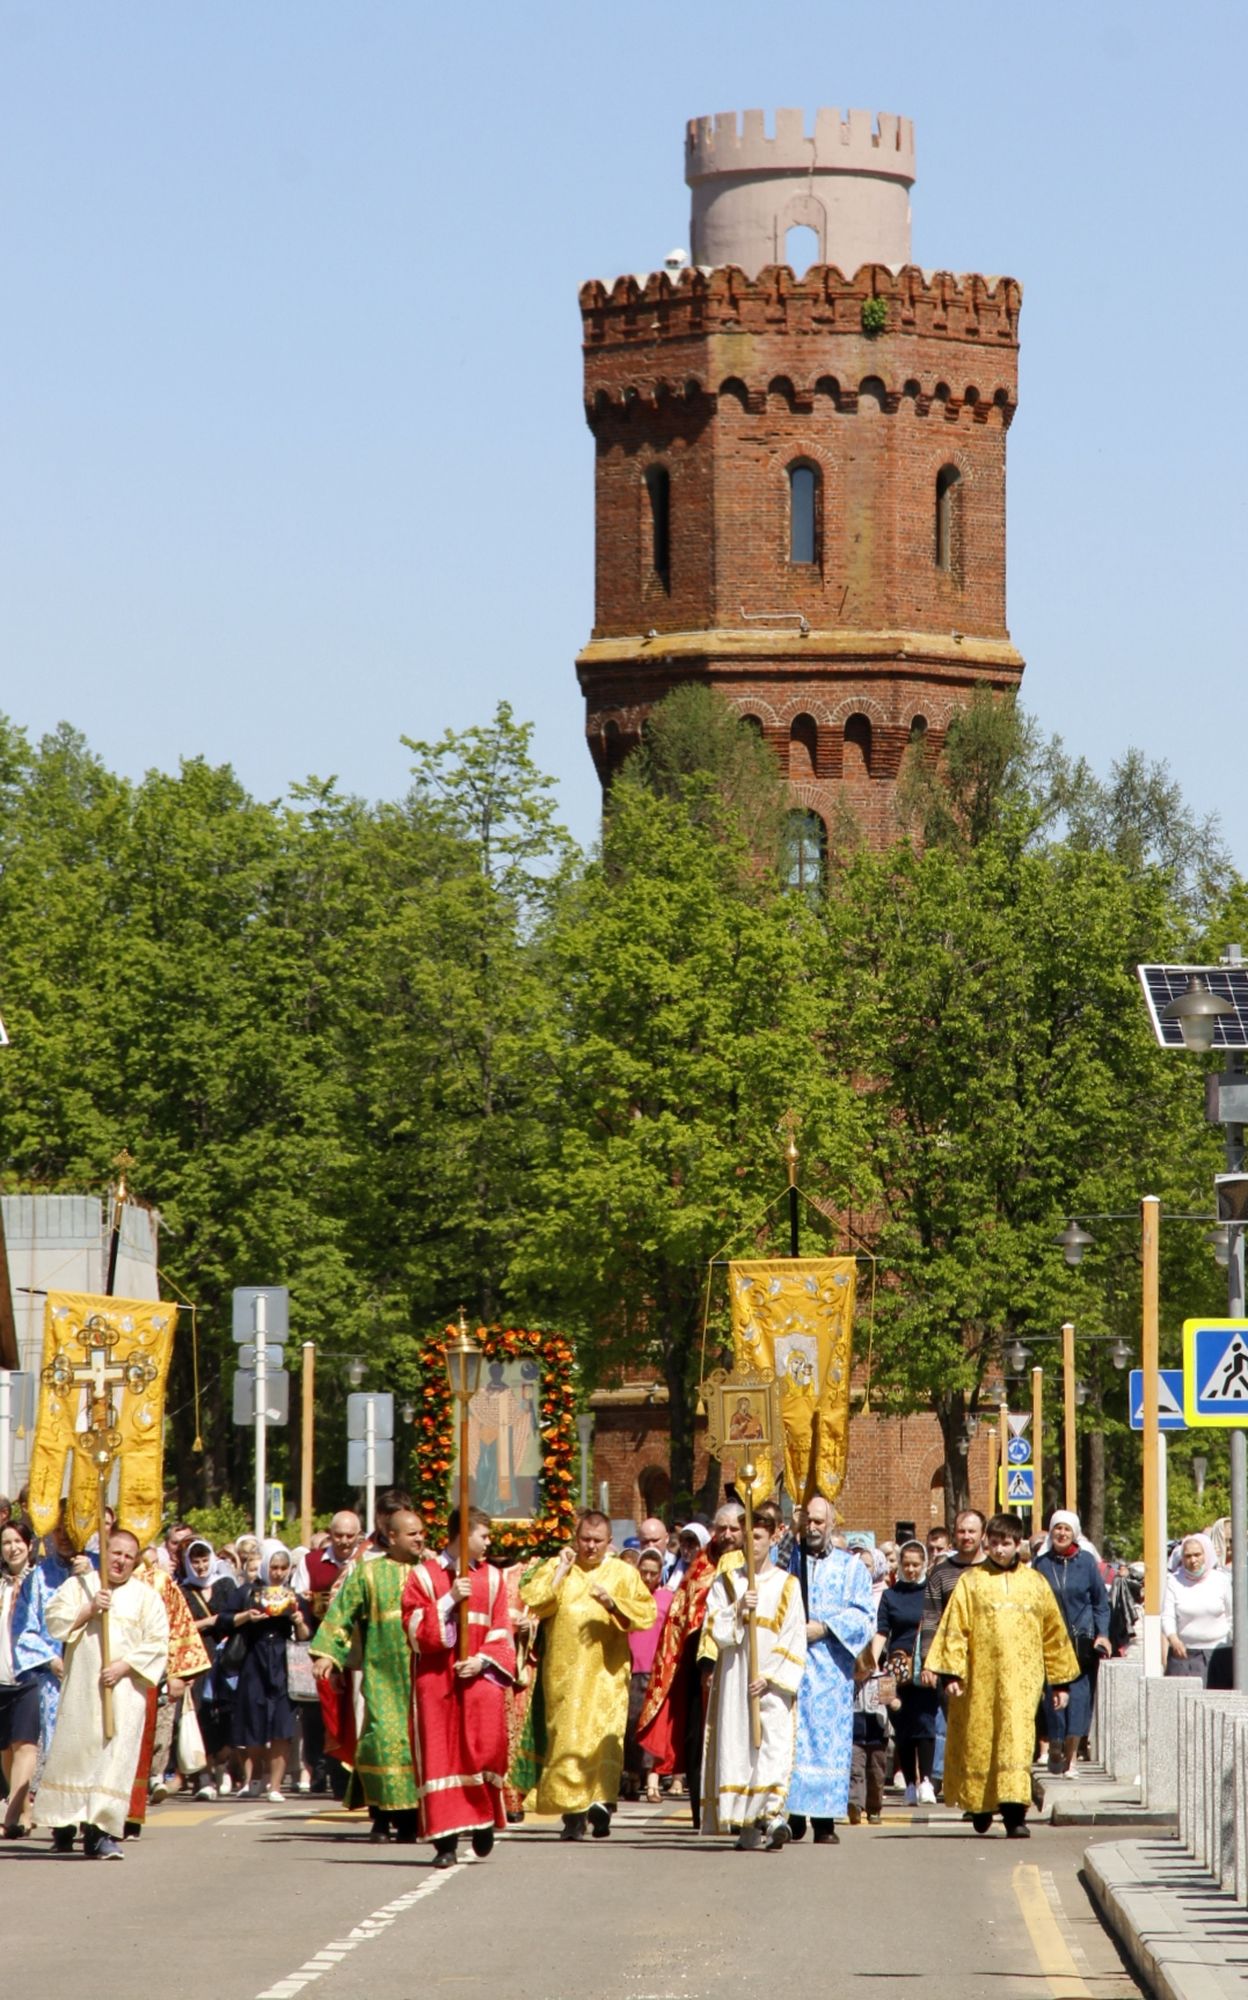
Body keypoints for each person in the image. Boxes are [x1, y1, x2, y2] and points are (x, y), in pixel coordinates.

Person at [925, 1513, 1079, 1838]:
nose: (999, 1550)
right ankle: (980, 1805)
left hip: (1022, 1682)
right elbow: (955, 1629)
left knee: (1017, 1742)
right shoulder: (972, 1582)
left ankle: (1014, 1814)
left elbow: (1053, 1633)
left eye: (1005, 1543)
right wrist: (951, 1673)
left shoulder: (1035, 1584)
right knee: (980, 1740)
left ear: (1017, 1544)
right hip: (979, 1681)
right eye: (993, 1543)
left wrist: (1060, 1682)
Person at [520, 1509, 656, 1840]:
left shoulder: (623, 1573)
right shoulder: (560, 1566)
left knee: (602, 1741)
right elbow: (535, 1600)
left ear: (609, 1542)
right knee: (567, 1741)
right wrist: (561, 1571)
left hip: (606, 1676)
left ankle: (602, 1805)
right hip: (564, 1675)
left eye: (597, 1541)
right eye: (585, 1539)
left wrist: (612, 1604)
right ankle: (573, 1817)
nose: (590, 1547)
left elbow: (646, 1613)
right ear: (575, 1538)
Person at [37, 1527, 169, 1858]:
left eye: (128, 1556)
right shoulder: (80, 1585)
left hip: (124, 1692)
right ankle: (64, 1823)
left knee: (114, 1757)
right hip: (83, 1688)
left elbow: (157, 1642)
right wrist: (89, 1609)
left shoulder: (147, 1597)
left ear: (135, 1561)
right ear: (105, 1553)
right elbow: (54, 1621)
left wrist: (124, 1666)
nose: (121, 1561)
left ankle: (100, 1831)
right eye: (116, 1553)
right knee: (77, 1753)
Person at [402, 1506, 516, 1868]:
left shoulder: (493, 1578)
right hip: (438, 1684)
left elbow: (503, 1629)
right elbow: (413, 1630)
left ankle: (483, 1820)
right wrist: (450, 1598)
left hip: (479, 1679)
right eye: (483, 1535)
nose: (489, 1542)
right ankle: (445, 1843)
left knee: (484, 1751)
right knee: (442, 1758)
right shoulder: (424, 1576)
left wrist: (482, 1661)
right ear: (463, 1536)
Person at [311, 1502, 426, 1841]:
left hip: (423, 1676)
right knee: (382, 1741)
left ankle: (412, 1819)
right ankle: (381, 1814)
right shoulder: (368, 1572)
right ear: (392, 1536)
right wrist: (327, 1655)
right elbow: (342, 1613)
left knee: (416, 1745)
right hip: (382, 1674)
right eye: (412, 1533)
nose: (420, 1539)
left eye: (422, 1533)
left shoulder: (430, 1571)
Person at [701, 1502, 807, 1851]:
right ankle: (747, 1824)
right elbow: (714, 1629)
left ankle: (772, 1815)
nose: (752, 1544)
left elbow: (794, 1635)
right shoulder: (727, 1582)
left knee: (773, 1745)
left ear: (773, 1538)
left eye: (758, 1537)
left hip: (772, 1683)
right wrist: (737, 1610)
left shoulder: (787, 1584)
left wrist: (772, 1676)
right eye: (747, 1537)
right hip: (736, 1678)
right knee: (740, 1749)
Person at [786, 1495, 875, 1845]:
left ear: (832, 1524)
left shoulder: (851, 1568)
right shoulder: (789, 1560)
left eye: (819, 1521)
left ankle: (824, 1821)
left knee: (826, 1746)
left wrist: (824, 1628)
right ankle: (792, 1815)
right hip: (792, 1664)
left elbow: (864, 1616)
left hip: (831, 1672)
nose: (812, 1527)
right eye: (807, 1520)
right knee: (792, 1740)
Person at [636, 1516, 723, 1822]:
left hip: (738, 1663)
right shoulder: (699, 1569)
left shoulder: (748, 1568)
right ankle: (701, 1809)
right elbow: (680, 1615)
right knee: (698, 1737)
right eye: (723, 1528)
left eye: (734, 1528)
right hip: (699, 1666)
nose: (728, 1534)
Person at [229, 1540, 309, 1802]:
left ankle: (275, 1785)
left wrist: (298, 1621)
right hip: (254, 1660)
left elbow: (306, 1635)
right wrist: (247, 1617)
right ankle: (254, 1776)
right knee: (253, 1721)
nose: (278, 1573)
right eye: (274, 1567)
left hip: (284, 1663)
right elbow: (225, 1619)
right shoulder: (248, 1593)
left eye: (283, 1568)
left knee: (282, 1725)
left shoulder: (294, 1596)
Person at [1032, 1511, 1111, 1775]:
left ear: (1074, 1533)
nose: (1062, 1533)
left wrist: (1102, 1633)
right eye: (1058, 1528)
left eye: (1067, 1529)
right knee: (1052, 1699)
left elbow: (1100, 1602)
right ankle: (1055, 1742)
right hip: (1051, 1642)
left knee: (1079, 1698)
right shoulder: (1041, 1563)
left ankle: (1072, 1758)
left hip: (1081, 1642)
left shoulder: (1086, 1562)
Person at [291, 1509, 361, 1795]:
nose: (344, 1541)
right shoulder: (311, 1562)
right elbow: (298, 1600)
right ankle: (323, 1770)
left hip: (357, 1651)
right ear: (330, 1534)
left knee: (354, 1713)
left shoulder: (365, 1561)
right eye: (338, 1535)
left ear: (358, 1536)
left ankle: (353, 1776)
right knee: (321, 1715)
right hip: (322, 1648)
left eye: (350, 1536)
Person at [0, 1518, 61, 1836]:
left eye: (17, 1542)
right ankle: (24, 1813)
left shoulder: (41, 1580)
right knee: (6, 1750)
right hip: (1, 1671)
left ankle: (9, 1816)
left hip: (29, 1672)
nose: (12, 1548)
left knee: (25, 1744)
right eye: (6, 1542)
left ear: (29, 1545)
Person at [876, 1540, 940, 1805]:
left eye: (916, 1564)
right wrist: (872, 1664)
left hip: (925, 1666)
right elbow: (882, 1630)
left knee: (925, 1723)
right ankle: (910, 1785)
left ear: (924, 1564)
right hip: (894, 1668)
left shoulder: (931, 1593)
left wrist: (934, 1665)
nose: (911, 1570)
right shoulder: (890, 1595)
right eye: (906, 1565)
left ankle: (926, 1781)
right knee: (901, 1724)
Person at [623, 1546, 672, 1800]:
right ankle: (631, 1775)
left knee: (653, 1725)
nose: (648, 1577)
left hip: (656, 1669)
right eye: (644, 1572)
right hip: (632, 1668)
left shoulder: (667, 1598)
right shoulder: (629, 1596)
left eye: (653, 1573)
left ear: (661, 1572)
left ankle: (652, 1779)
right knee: (631, 1724)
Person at [1162, 1533, 1233, 1685]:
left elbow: (1232, 1616)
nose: (1193, 1560)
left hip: (1219, 1654)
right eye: (1188, 1556)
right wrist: (1173, 1640)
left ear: (1206, 1554)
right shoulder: (1173, 1581)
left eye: (1197, 1555)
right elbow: (1167, 1616)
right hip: (1184, 1655)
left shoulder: (1221, 1580)